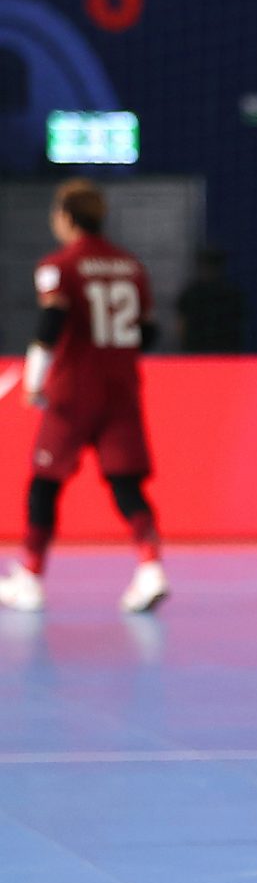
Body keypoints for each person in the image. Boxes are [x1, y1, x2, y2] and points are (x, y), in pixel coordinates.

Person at [0, 180, 168, 615]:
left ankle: (31, 577)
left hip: (75, 392)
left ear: (67, 217)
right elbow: (146, 332)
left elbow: (51, 323)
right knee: (125, 482)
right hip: (122, 388)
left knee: (44, 484)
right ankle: (151, 568)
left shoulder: (59, 264)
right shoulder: (131, 265)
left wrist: (35, 380)